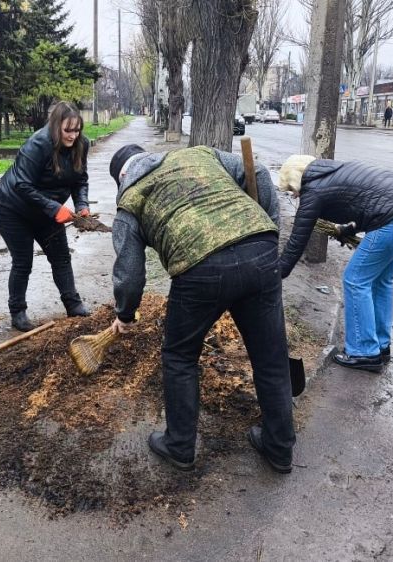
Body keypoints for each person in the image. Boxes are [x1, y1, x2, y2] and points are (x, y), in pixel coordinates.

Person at [108, 143, 295, 475]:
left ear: (122, 176)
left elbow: (130, 274)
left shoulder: (129, 199)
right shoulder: (199, 154)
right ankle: (279, 448)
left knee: (179, 356)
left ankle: (180, 446)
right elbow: (261, 172)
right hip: (260, 248)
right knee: (271, 356)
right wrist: (266, 229)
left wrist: (125, 314)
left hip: (201, 268)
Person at [278, 154, 393, 373]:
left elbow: (297, 240)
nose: (294, 196)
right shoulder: (333, 171)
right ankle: (381, 345)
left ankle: (364, 352)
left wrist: (277, 273)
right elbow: (367, 202)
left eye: (291, 190)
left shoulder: (313, 190)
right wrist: (347, 231)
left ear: (296, 180)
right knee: (381, 279)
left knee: (355, 279)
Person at [0, 101, 92, 332]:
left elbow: (80, 179)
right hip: (12, 208)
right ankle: (18, 312)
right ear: (56, 126)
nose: (73, 135)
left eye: (77, 130)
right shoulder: (38, 144)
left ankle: (73, 304)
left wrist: (82, 204)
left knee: (61, 257)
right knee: (23, 260)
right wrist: (54, 208)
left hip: (47, 210)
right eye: (67, 130)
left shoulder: (81, 144)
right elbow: (21, 185)